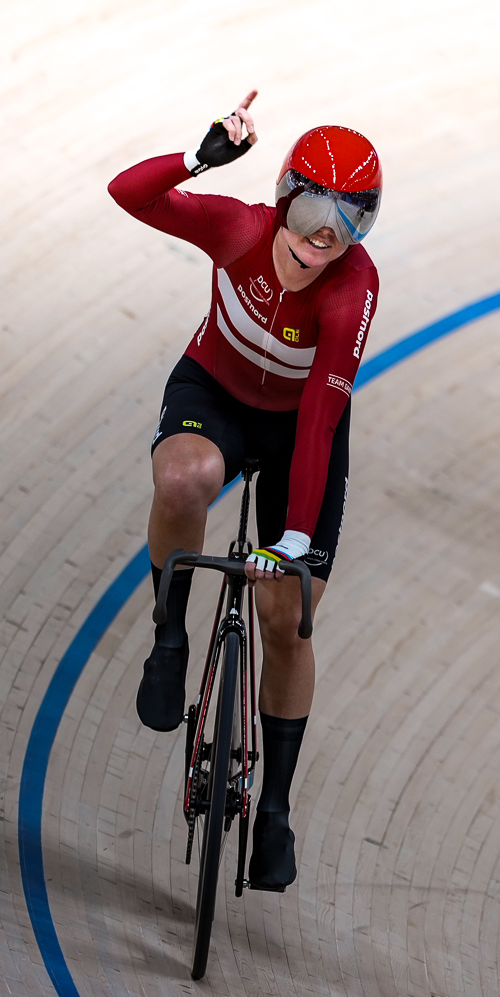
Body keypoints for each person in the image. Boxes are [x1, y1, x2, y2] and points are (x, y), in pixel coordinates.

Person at [108, 91, 381, 893]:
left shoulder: (351, 290)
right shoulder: (237, 227)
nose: (321, 240)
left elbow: (323, 419)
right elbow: (131, 194)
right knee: (185, 476)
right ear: (282, 198)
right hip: (218, 393)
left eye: (348, 225)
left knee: (284, 616)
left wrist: (291, 542)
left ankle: (277, 809)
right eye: (310, 213)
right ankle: (169, 633)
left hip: (300, 428)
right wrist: (196, 160)